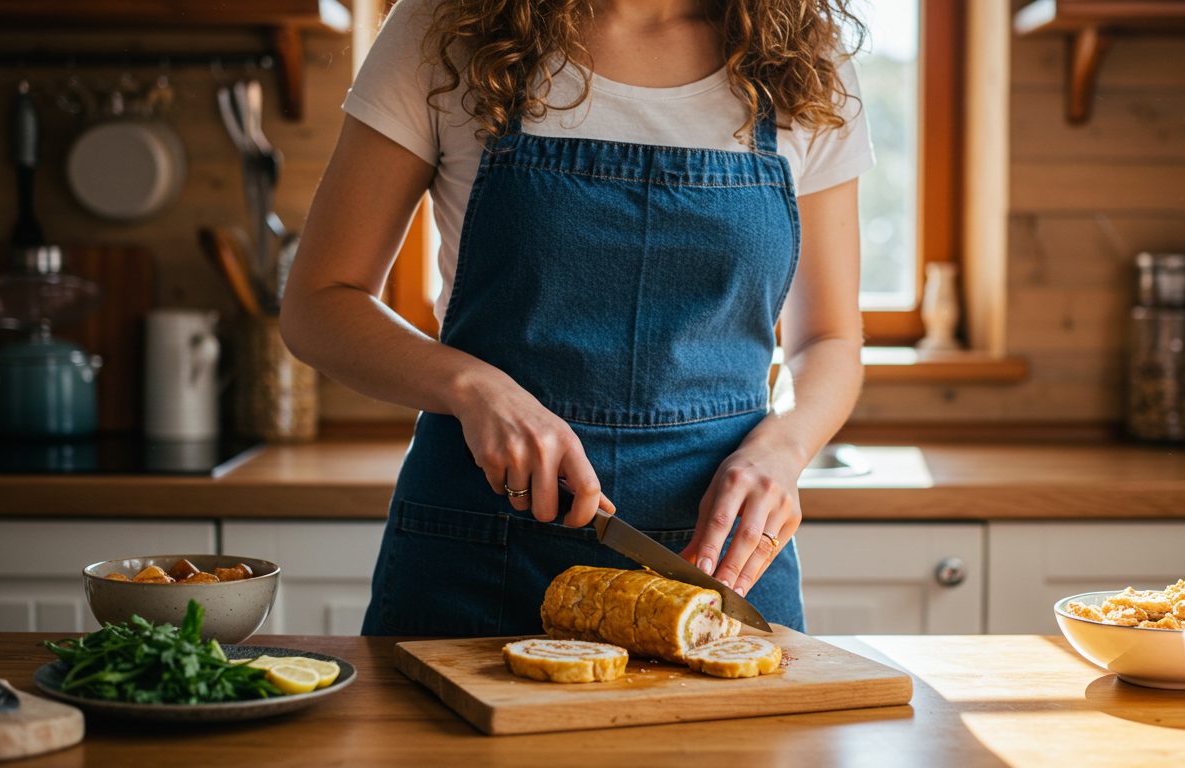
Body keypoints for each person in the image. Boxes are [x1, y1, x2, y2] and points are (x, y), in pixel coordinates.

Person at [280, 0, 872, 636]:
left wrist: (783, 448)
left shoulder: (805, 56)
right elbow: (320, 302)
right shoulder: (448, 26)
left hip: (721, 563)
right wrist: (474, 388)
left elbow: (829, 338)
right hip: (477, 546)